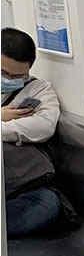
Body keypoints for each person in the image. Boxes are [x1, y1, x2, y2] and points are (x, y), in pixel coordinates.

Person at [1, 27, 68, 237]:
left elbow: (42, 127)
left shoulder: (38, 90)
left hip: (18, 185)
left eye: (17, 75)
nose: (9, 79)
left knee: (47, 205)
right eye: (3, 73)